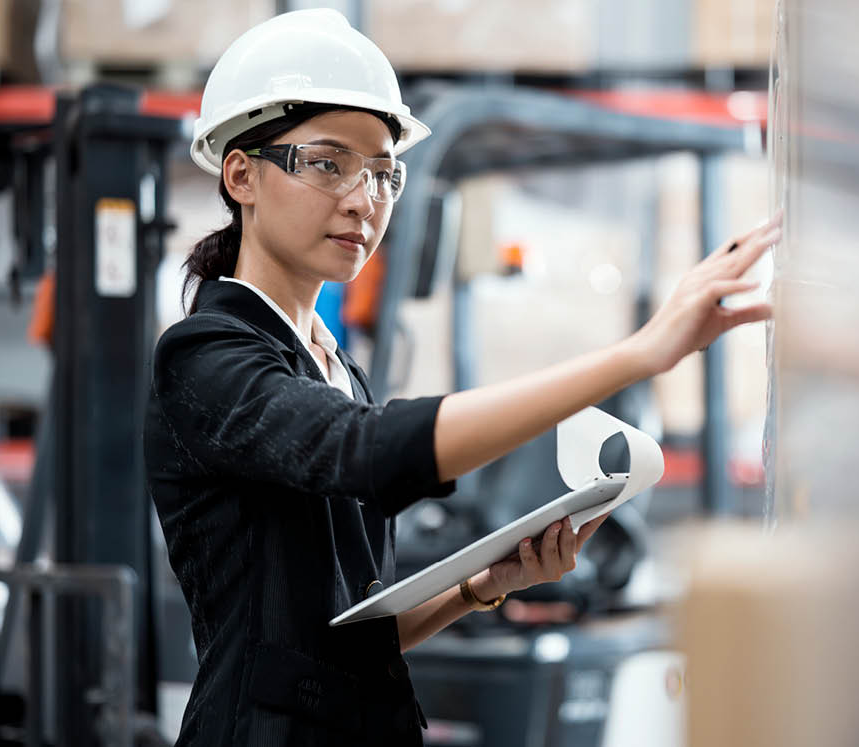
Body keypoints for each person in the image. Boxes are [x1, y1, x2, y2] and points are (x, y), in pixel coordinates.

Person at [143, 9, 779, 746]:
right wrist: (640, 353)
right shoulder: (205, 355)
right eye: (326, 162)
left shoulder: (334, 367)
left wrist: (480, 587)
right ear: (241, 173)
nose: (363, 199)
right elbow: (367, 450)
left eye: (383, 172)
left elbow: (345, 640)